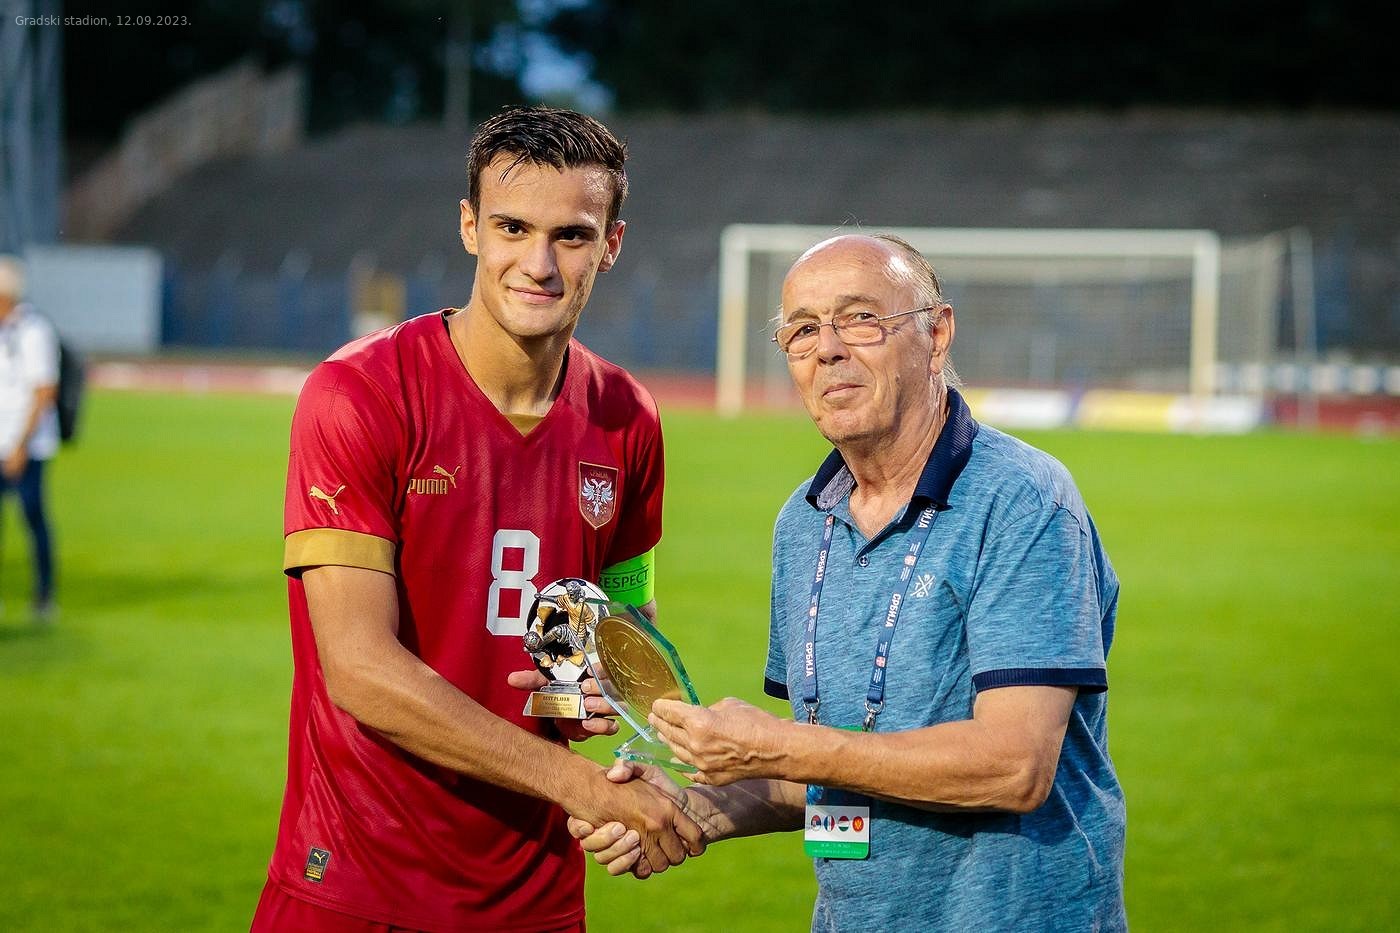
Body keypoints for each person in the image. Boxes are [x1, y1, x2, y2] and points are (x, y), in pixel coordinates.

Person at [573, 233, 1125, 931]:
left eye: (860, 318)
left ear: (937, 334)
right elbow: (831, 771)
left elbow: (1015, 767)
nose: (827, 349)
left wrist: (777, 744)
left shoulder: (1022, 500)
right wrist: (694, 808)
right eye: (802, 330)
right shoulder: (803, 523)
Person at [252, 106, 702, 933]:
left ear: (612, 244)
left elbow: (622, 617)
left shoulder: (628, 418)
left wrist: (594, 688)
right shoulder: (361, 394)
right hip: (357, 883)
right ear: (469, 227)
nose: (539, 263)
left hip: (535, 897)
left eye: (571, 235)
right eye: (512, 227)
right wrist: (580, 784)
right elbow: (358, 667)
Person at [0, 255, 59, 623]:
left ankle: (44, 595)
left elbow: (44, 391)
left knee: (33, 516)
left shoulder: (33, 331)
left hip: (28, 447)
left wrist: (21, 445)